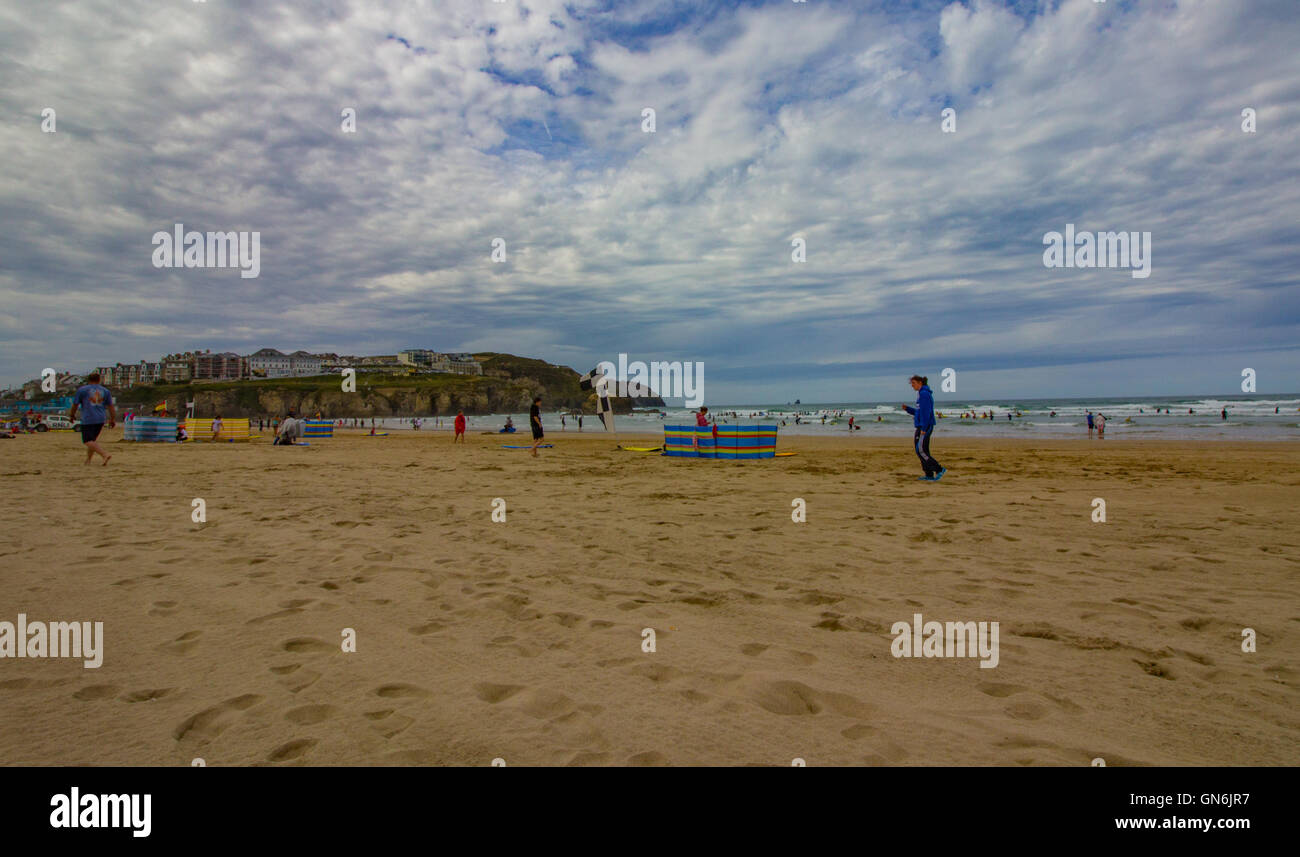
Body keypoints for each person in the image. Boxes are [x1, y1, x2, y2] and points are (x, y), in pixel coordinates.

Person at [901, 374, 945, 481]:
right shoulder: (921, 394)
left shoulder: (924, 394)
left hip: (924, 426)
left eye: (913, 383)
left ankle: (939, 469)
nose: (912, 386)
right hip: (921, 425)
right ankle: (929, 474)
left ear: (920, 383)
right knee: (923, 450)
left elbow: (926, 412)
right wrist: (908, 409)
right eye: (911, 384)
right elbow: (919, 412)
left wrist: (924, 429)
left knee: (920, 450)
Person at [69, 372, 115, 466]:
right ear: (99, 380)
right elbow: (110, 406)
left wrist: (72, 415)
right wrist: (112, 419)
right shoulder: (105, 391)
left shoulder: (82, 390)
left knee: (87, 440)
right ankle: (88, 461)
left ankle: (104, 455)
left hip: (88, 418)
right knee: (92, 441)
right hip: (101, 419)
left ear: (89, 380)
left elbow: (75, 405)